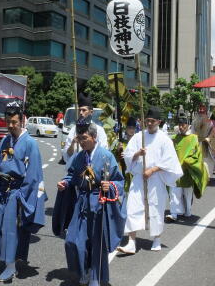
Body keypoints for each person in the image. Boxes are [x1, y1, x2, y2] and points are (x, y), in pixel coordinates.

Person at [0, 101, 46, 282]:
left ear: (22, 121)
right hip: (2, 192)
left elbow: (34, 175)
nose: (11, 126)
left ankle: (10, 266)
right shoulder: (5, 140)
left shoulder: (30, 143)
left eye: (14, 122)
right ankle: (7, 261)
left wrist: (22, 198)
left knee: (11, 230)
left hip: (17, 193)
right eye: (8, 122)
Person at [55, 118, 125, 286]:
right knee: (73, 240)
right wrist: (65, 183)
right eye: (79, 138)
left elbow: (119, 181)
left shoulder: (106, 156)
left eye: (84, 138)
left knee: (96, 243)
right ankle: (83, 270)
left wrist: (111, 185)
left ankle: (95, 277)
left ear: (94, 137)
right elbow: (71, 174)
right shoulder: (79, 157)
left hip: (99, 202)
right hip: (82, 203)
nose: (81, 142)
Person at [118, 106, 182, 254]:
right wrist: (137, 154)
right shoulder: (139, 137)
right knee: (133, 206)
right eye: (147, 121)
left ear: (159, 121)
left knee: (156, 208)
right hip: (139, 177)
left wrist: (153, 169)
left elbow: (170, 161)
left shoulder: (165, 140)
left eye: (152, 121)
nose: (149, 124)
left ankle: (157, 238)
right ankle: (131, 242)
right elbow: (127, 156)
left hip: (156, 179)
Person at [166, 112, 208, 222]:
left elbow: (197, 155)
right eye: (179, 124)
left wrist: (189, 161)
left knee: (187, 195)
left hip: (188, 171)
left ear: (188, 125)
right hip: (176, 171)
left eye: (183, 124)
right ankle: (173, 213)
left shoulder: (194, 138)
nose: (181, 127)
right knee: (174, 192)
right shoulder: (174, 138)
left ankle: (188, 210)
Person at [62, 93, 108, 168]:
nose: (81, 113)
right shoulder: (74, 129)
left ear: (91, 112)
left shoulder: (99, 130)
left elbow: (104, 151)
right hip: (76, 168)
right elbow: (67, 155)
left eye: (84, 110)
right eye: (80, 110)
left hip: (93, 169)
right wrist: (73, 144)